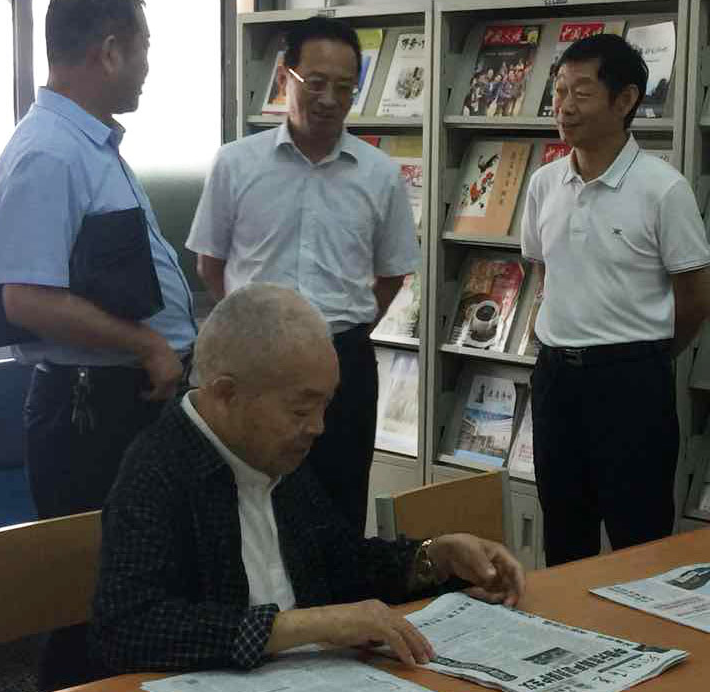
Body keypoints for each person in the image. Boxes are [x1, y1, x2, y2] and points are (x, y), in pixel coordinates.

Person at [92, 284, 525, 674]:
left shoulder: (275, 450)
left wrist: (433, 557)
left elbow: (339, 560)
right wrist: (304, 625)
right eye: (300, 409)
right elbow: (129, 627)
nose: (318, 427)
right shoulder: (157, 467)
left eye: (325, 405)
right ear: (225, 394)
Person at [0, 0, 196, 521]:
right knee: (100, 563)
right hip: (93, 409)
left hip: (127, 395)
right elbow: (26, 300)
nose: (147, 67)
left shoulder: (87, 143)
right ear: (111, 52)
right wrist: (148, 344)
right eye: (144, 48)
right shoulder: (50, 152)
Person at [186, 17, 420, 535]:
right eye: (315, 83)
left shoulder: (380, 173)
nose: (329, 99)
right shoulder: (236, 164)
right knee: (245, 507)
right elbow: (210, 264)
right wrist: (253, 333)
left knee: (338, 508)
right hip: (252, 367)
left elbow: (391, 273)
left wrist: (337, 332)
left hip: (343, 363)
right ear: (284, 78)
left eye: (344, 87)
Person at [520, 33, 710, 565]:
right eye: (560, 91)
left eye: (581, 93)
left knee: (640, 539)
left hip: (631, 383)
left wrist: (644, 356)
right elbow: (543, 270)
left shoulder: (663, 189)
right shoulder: (543, 183)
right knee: (564, 533)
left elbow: (696, 299)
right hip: (556, 379)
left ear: (625, 100)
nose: (564, 106)